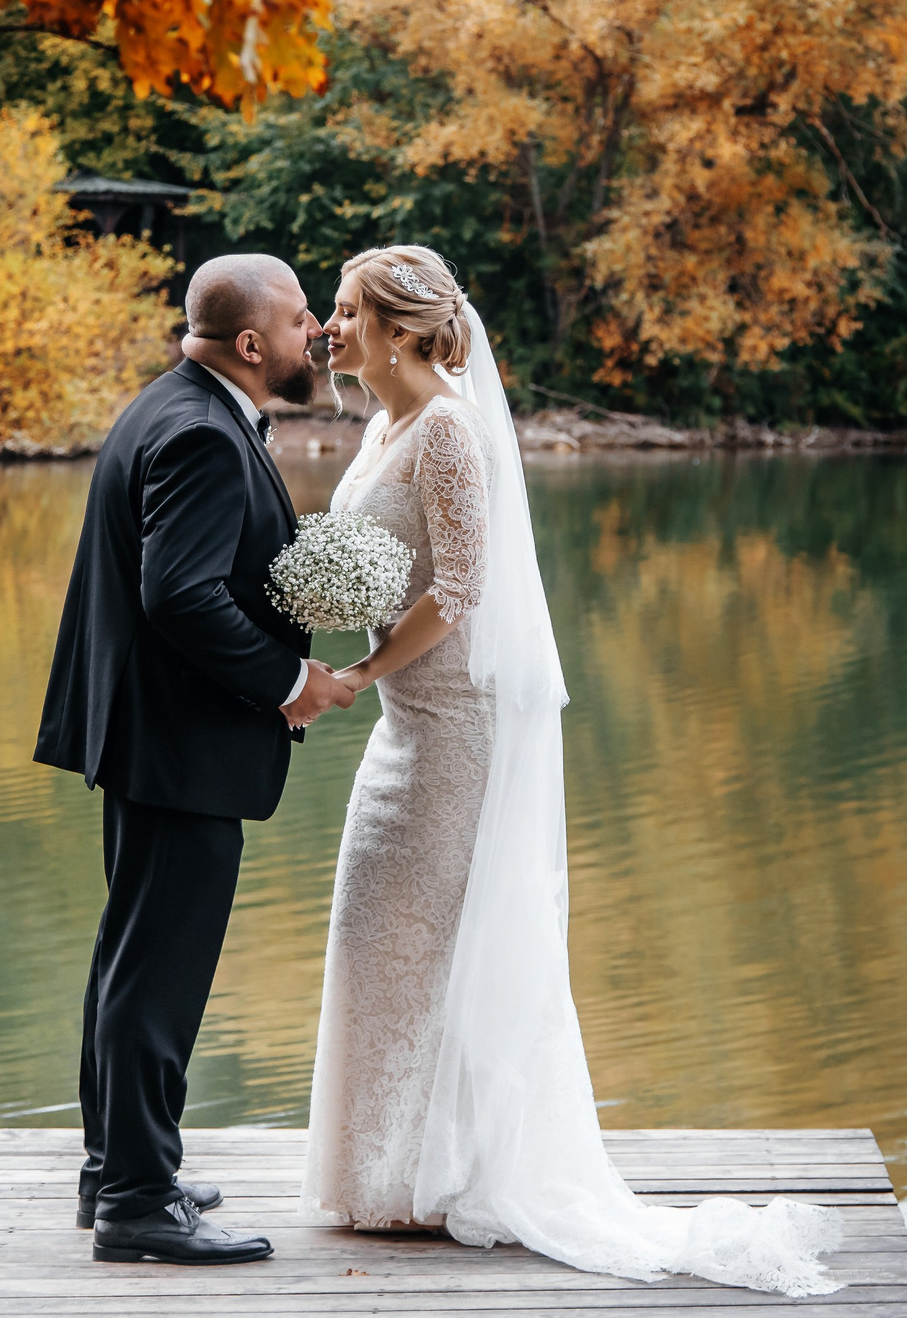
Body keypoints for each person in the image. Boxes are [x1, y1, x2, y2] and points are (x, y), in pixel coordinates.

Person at [299, 244, 845, 1297]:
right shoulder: (379, 427)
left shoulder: (448, 430)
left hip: (451, 731)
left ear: (403, 330)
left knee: (438, 945)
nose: (330, 327)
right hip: (399, 729)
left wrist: (359, 671)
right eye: (332, 309)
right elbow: (387, 567)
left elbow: (461, 588)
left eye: (347, 310)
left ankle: (444, 1177)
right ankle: (381, 1173)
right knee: (378, 939)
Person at [34, 254, 358, 1267]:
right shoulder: (202, 434)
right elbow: (179, 594)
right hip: (180, 743)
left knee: (130, 958)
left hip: (148, 735)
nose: (318, 333)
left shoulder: (169, 405)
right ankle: (138, 1203)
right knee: (158, 977)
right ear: (252, 343)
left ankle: (115, 1169)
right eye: (302, 320)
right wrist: (288, 680)